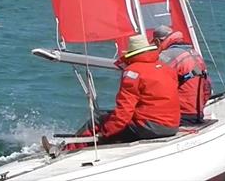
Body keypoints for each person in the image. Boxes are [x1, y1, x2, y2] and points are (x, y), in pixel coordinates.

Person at [47, 34, 180, 154]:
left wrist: (106, 132)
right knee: (111, 122)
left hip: (150, 128)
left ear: (131, 54)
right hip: (172, 127)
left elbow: (124, 111)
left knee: (97, 120)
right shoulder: (166, 69)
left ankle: (67, 151)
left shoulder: (133, 72)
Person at [152, 25, 212, 124]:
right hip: (197, 114)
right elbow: (207, 87)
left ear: (158, 41)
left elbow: (151, 83)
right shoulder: (194, 54)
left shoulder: (167, 55)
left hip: (180, 115)